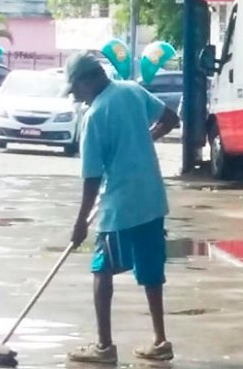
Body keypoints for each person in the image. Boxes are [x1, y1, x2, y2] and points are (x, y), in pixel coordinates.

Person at [64, 52, 179, 364]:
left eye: (75, 88)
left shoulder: (95, 115)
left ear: (88, 80)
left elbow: (92, 177)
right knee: (151, 270)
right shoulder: (131, 89)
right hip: (152, 199)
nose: (75, 96)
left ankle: (104, 347)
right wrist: (144, 140)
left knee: (102, 269)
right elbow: (171, 119)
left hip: (120, 204)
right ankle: (160, 340)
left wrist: (80, 223)